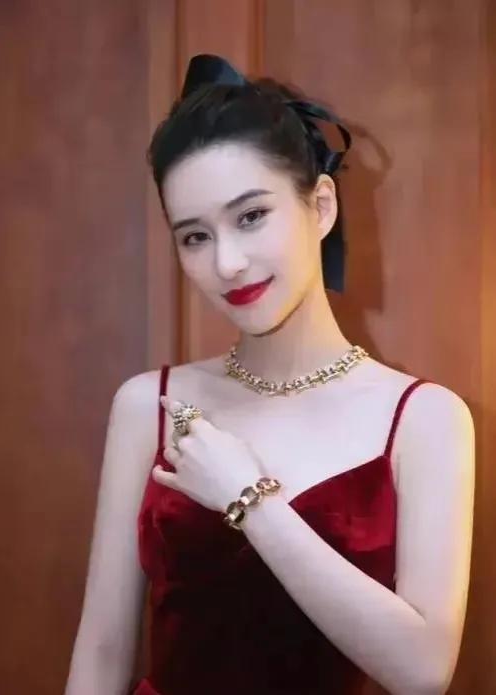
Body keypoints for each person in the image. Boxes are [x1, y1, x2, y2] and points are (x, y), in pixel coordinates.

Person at [65, 54, 475, 695]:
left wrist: (248, 500)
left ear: (321, 206)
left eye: (251, 216)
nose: (227, 262)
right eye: (195, 237)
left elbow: (423, 672)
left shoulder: (426, 418)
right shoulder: (151, 405)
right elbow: (101, 652)